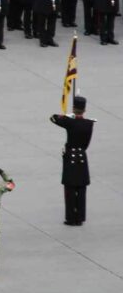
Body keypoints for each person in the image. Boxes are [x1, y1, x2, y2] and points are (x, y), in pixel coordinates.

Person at [50, 96, 94, 226]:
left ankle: (71, 218)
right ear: (84, 110)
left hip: (70, 158)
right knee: (81, 188)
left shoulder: (69, 122)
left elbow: (53, 118)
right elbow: (86, 144)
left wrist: (66, 116)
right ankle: (80, 217)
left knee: (70, 188)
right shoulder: (89, 124)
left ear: (74, 108)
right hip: (82, 157)